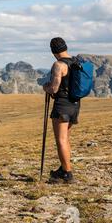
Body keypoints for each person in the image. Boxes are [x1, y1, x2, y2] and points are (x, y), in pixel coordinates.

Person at [43, 38, 80, 184]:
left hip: (62, 106)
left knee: (61, 140)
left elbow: (54, 88)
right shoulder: (75, 62)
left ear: (53, 51)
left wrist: (45, 87)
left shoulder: (59, 65)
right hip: (74, 105)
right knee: (66, 139)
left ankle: (67, 174)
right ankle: (64, 168)